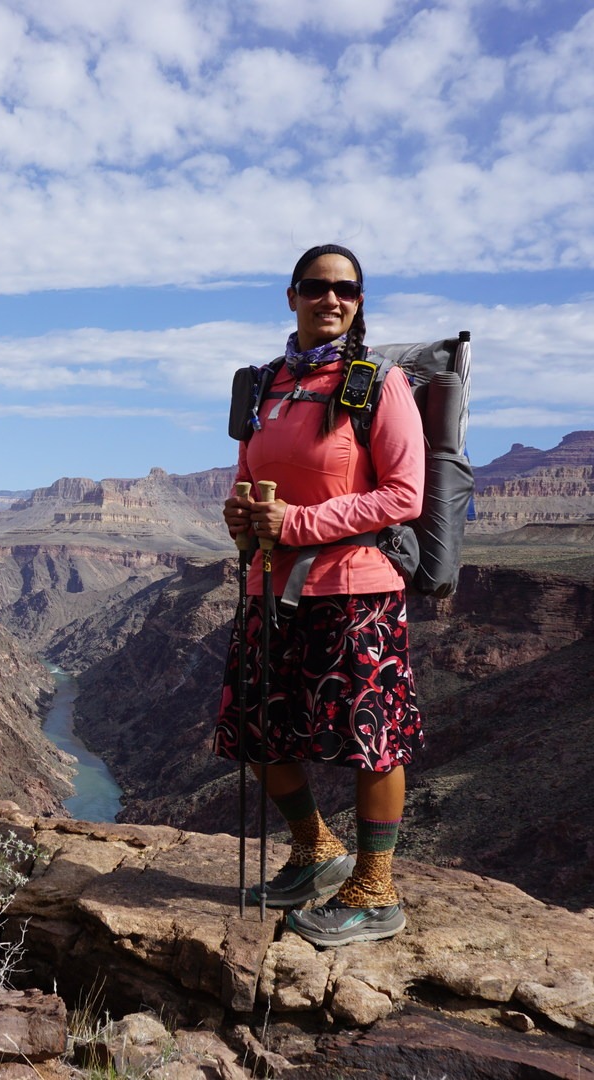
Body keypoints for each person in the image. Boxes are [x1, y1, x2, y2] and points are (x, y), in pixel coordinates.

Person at [215, 243, 425, 947]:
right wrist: (241, 515)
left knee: (374, 740)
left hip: (356, 589)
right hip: (271, 584)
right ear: (292, 295)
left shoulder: (377, 383)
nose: (330, 299)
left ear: (359, 302)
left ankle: (374, 890)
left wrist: (299, 523)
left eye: (346, 290)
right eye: (316, 286)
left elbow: (404, 495)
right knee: (253, 724)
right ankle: (315, 851)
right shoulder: (264, 385)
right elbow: (248, 476)